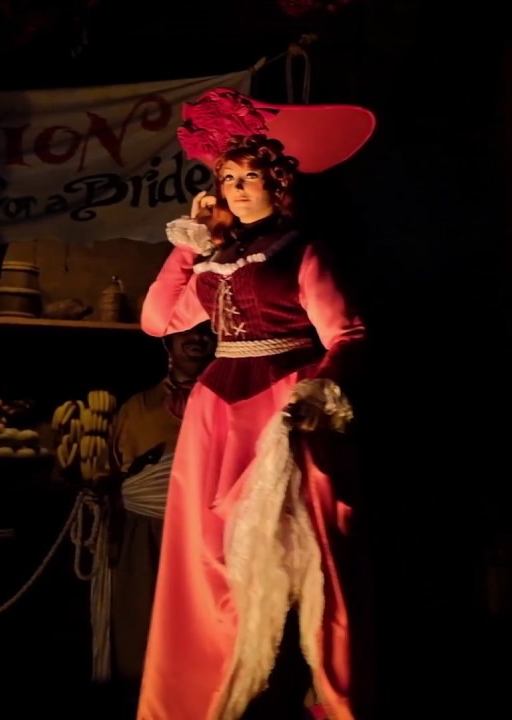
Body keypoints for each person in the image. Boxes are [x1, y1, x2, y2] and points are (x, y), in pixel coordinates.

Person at [136, 88, 375, 720]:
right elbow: (157, 320)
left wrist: (317, 389)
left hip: (280, 408)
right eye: (228, 179)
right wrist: (188, 245)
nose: (238, 190)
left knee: (310, 559)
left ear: (277, 182)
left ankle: (328, 696)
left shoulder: (301, 249)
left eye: (250, 177)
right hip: (216, 410)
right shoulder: (212, 258)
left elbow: (347, 333)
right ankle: (202, 694)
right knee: (207, 558)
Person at [102, 322, 214, 700]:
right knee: (141, 638)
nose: (197, 338)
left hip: (207, 540)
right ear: (168, 339)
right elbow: (108, 474)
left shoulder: (233, 406)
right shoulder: (136, 408)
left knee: (203, 641)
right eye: (187, 329)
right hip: (142, 539)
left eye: (206, 330)